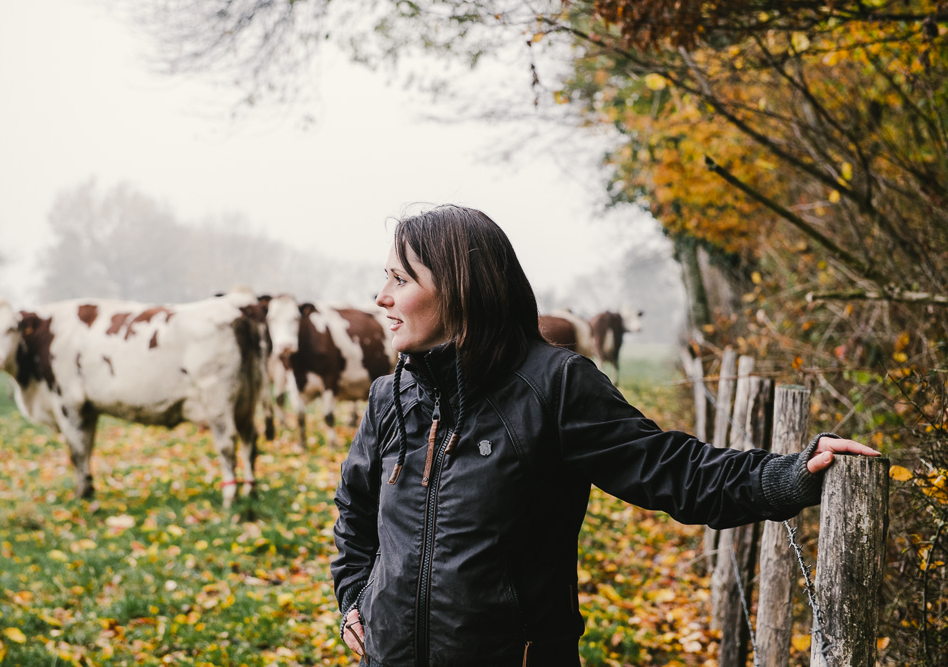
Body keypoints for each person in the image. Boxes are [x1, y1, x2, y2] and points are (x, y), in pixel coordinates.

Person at [330, 204, 880, 667]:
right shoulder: (389, 396)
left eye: (400, 280)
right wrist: (356, 597)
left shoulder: (554, 386)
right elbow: (355, 511)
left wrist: (786, 475)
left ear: (458, 289)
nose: (381, 297)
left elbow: (672, 470)